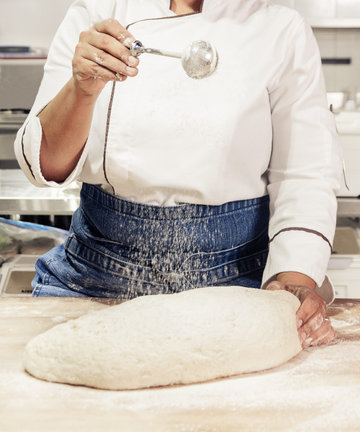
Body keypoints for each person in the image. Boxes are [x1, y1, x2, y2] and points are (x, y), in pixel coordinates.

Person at [15, 0, 342, 350]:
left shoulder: (280, 28)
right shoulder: (98, 11)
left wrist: (292, 281)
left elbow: (303, 174)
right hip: (96, 274)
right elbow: (45, 166)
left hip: (237, 282)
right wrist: (83, 88)